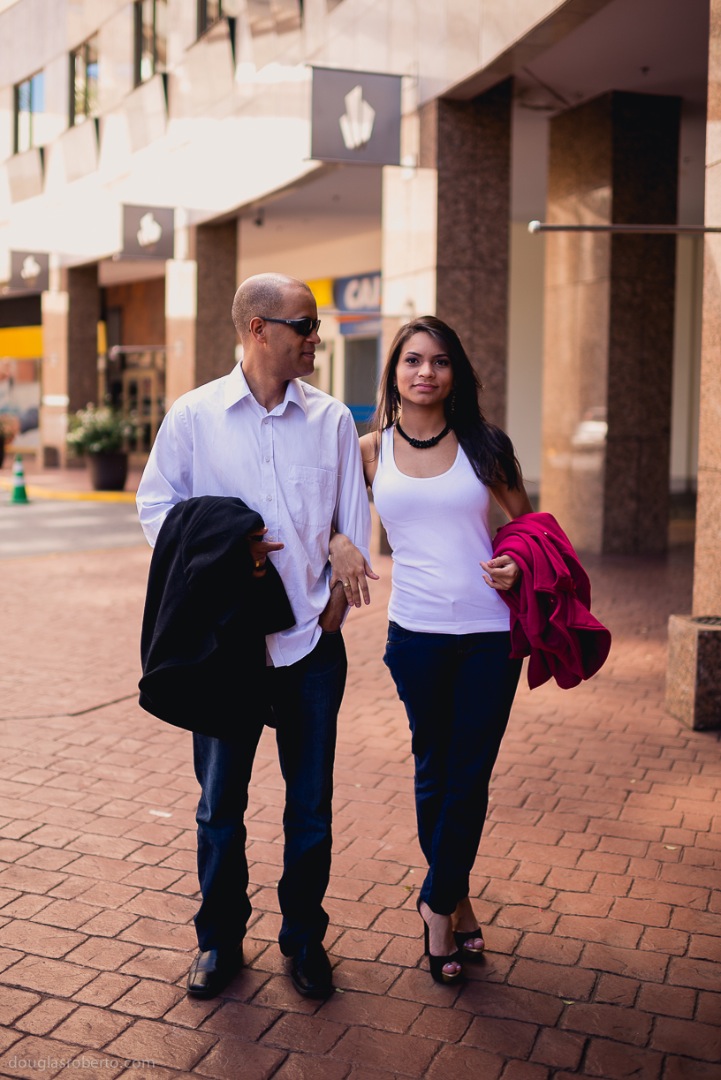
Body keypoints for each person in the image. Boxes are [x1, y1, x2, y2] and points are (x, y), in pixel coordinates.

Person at [136, 272, 373, 1000]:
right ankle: (218, 941)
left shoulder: (331, 419)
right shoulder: (195, 416)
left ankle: (303, 940)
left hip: (310, 645)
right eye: (302, 325)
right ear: (255, 329)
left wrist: (336, 593)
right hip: (226, 648)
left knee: (310, 807)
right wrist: (222, 555)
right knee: (219, 806)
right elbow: (156, 508)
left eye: (315, 327)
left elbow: (352, 519)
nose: (315, 339)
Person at [330, 315, 533, 984]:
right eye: (412, 360)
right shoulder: (366, 451)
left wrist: (513, 563)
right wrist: (340, 540)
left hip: (489, 633)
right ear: (392, 372)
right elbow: (316, 512)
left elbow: (526, 529)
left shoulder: (486, 445)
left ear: (455, 373)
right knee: (432, 768)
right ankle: (457, 896)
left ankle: (435, 907)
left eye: (439, 361)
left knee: (467, 775)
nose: (425, 372)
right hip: (414, 634)